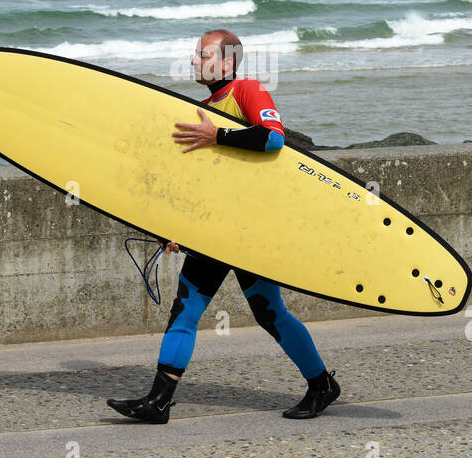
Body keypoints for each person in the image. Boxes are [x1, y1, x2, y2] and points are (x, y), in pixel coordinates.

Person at [106, 29, 340, 424]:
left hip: (250, 231)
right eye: (196, 55)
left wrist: (218, 134)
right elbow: (199, 183)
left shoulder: (247, 91)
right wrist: (172, 228)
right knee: (185, 311)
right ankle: (158, 402)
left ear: (227, 62)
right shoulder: (201, 110)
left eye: (202, 55)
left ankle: (322, 386)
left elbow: (272, 139)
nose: (194, 61)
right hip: (214, 231)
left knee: (270, 314)